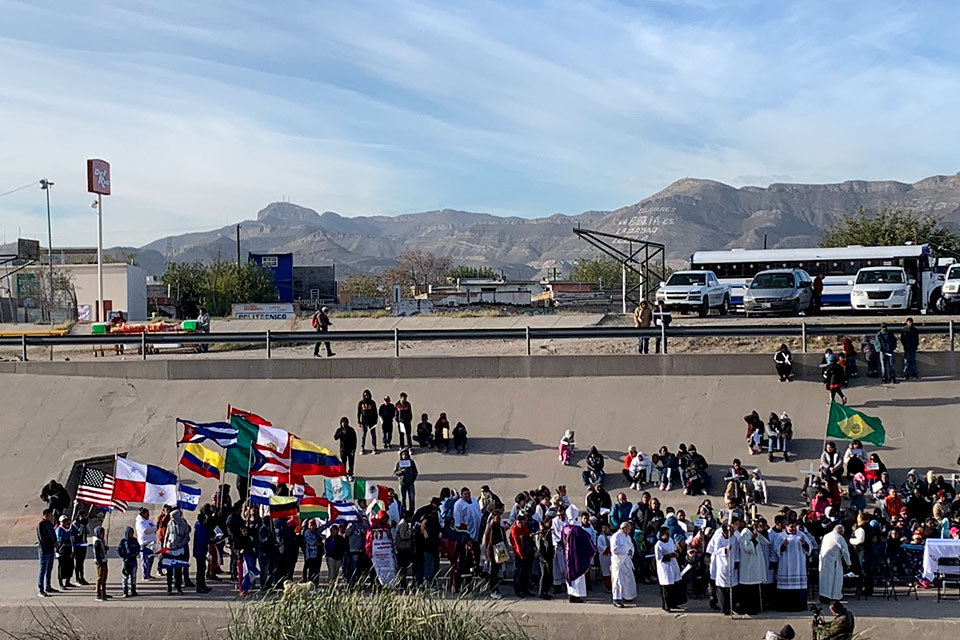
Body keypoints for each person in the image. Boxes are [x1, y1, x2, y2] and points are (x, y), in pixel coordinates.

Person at [561, 505, 595, 603]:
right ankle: (577, 596)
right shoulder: (577, 529)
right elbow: (587, 539)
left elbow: (563, 541)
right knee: (578, 575)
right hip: (577, 556)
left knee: (570, 575)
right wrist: (592, 548)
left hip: (568, 556)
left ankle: (571, 594)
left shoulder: (565, 528)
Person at [775, 521, 811, 611]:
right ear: (786, 526)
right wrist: (783, 546)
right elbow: (776, 549)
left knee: (798, 587)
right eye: (790, 527)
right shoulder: (781, 536)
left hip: (799, 564)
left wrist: (804, 544)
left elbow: (809, 548)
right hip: (786, 564)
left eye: (794, 527)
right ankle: (785, 607)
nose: (792, 529)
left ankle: (799, 606)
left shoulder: (801, 535)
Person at [707, 522, 739, 615]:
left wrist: (737, 561)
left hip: (732, 563)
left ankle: (730, 606)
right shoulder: (719, 538)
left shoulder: (734, 538)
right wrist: (725, 549)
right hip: (722, 565)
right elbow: (716, 550)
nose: (733, 532)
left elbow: (737, 550)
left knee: (732, 587)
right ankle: (724, 607)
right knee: (722, 588)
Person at [738, 522, 768, 615]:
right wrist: (754, 539)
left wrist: (760, 533)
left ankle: (756, 607)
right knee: (748, 589)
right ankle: (748, 608)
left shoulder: (753, 532)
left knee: (754, 588)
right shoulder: (745, 533)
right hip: (748, 565)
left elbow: (766, 542)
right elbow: (748, 548)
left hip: (755, 564)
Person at [818, 525, 851, 604]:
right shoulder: (839, 538)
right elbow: (845, 551)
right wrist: (848, 563)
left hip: (823, 561)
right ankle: (834, 596)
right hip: (834, 562)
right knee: (834, 580)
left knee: (824, 579)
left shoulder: (826, 536)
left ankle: (823, 596)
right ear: (841, 531)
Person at [609, 521, 636, 607]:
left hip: (626, 561)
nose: (630, 530)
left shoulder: (627, 537)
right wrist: (626, 551)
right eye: (629, 529)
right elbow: (614, 550)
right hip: (619, 562)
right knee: (618, 580)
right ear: (624, 528)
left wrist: (631, 551)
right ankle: (617, 599)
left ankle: (627, 596)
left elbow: (631, 546)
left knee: (628, 580)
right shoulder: (616, 536)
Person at [164, 509, 190, 595]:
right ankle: (169, 588)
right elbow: (166, 536)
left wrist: (180, 545)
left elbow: (186, 537)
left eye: (173, 517)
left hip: (179, 551)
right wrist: (165, 547)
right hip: (170, 550)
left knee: (178, 571)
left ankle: (178, 587)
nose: (172, 518)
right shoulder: (169, 524)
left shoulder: (183, 525)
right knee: (169, 571)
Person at [36, 509, 56, 597]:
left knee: (49, 568)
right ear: (45, 515)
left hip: (51, 549)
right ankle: (41, 588)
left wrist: (55, 542)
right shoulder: (41, 525)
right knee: (43, 569)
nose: (51, 517)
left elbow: (53, 534)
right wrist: (51, 543)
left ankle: (48, 586)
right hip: (44, 550)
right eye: (50, 515)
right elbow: (42, 538)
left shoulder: (50, 524)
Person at [117, 526, 140, 598]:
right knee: (125, 576)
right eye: (130, 533)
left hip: (133, 560)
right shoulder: (123, 541)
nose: (131, 534)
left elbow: (138, 548)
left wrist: (135, 554)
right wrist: (123, 557)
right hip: (126, 561)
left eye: (132, 533)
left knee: (133, 576)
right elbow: (119, 550)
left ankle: (133, 590)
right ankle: (125, 590)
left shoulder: (134, 540)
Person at [134, 508, 156, 580]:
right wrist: (154, 528)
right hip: (144, 544)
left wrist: (154, 528)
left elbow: (154, 526)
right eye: (147, 513)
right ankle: (145, 575)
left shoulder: (148, 520)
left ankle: (148, 574)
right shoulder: (140, 522)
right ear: (143, 514)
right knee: (145, 560)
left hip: (151, 543)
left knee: (150, 560)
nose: (148, 515)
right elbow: (145, 530)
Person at [55, 516, 75, 589]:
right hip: (62, 549)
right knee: (62, 566)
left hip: (69, 548)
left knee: (70, 565)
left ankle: (68, 581)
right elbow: (59, 540)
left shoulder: (69, 529)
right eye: (63, 521)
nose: (65, 522)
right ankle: (61, 583)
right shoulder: (59, 530)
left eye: (66, 521)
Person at [193, 513, 211, 593]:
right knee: (200, 569)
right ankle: (200, 586)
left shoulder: (200, 527)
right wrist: (210, 540)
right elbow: (202, 540)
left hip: (200, 551)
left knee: (202, 568)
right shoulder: (201, 528)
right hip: (200, 551)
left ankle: (202, 585)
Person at [357, 389, 379, 455]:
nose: (366, 396)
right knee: (363, 436)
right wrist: (359, 421)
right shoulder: (361, 403)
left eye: (368, 395)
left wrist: (376, 421)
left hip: (372, 422)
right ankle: (362, 448)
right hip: (364, 422)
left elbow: (375, 412)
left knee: (373, 435)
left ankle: (374, 447)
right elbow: (359, 413)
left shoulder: (372, 403)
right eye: (365, 395)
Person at [71, 514, 90, 585]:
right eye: (81, 516)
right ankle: (77, 578)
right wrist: (81, 526)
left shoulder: (84, 524)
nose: (82, 518)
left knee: (82, 562)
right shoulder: (74, 525)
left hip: (84, 545)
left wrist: (86, 525)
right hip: (77, 546)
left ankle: (82, 577)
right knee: (78, 562)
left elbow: (88, 532)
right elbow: (79, 533)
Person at [91, 526, 108, 602]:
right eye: (101, 533)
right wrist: (99, 562)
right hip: (100, 562)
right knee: (100, 577)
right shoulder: (97, 542)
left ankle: (103, 592)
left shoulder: (102, 541)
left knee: (104, 577)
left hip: (104, 560)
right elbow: (97, 554)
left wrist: (105, 548)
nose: (103, 535)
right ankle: (98, 594)